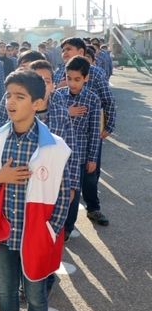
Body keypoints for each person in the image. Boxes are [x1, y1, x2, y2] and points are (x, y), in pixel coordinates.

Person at [0, 70, 72, 311]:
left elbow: (64, 191)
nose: (10, 102)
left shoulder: (55, 147)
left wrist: (52, 228)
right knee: (6, 292)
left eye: (20, 96)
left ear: (37, 104)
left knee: (36, 295)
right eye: (8, 96)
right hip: (5, 234)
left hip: (37, 233)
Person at [54, 37, 116, 225]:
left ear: (81, 51)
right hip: (63, 140)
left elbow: (108, 101)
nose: (64, 52)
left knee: (89, 176)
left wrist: (108, 126)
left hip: (87, 138)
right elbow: (50, 102)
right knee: (63, 180)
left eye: (69, 49)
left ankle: (93, 209)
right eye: (63, 49)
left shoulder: (95, 73)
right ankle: (62, 217)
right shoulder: (59, 74)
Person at [58, 56, 102, 238]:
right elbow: (50, 123)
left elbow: (94, 132)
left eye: (77, 79)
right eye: (69, 78)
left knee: (73, 194)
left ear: (86, 78)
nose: (72, 83)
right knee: (57, 191)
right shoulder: (58, 96)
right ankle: (56, 224)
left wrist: (92, 158)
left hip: (80, 155)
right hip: (59, 154)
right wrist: (67, 113)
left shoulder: (92, 99)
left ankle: (67, 228)